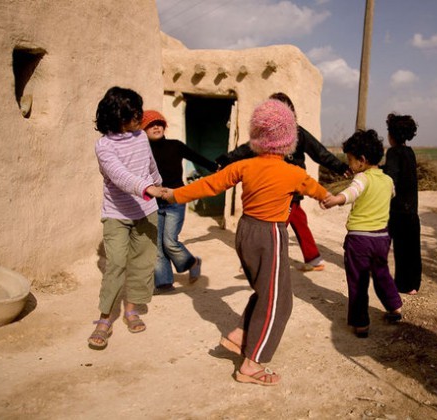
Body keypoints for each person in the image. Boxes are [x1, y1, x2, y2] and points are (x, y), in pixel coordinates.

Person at [162, 99, 330, 385]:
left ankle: (240, 335)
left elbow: (208, 184)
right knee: (279, 302)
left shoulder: (244, 166)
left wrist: (173, 194)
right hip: (270, 234)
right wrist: (335, 198)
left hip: (245, 232)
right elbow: (321, 193)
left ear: (257, 135)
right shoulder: (294, 173)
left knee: (264, 291)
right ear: (289, 138)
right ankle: (252, 364)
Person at [215, 92, 350, 272]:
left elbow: (320, 153)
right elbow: (245, 150)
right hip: (274, 185)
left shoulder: (298, 133)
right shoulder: (267, 134)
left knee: (276, 225)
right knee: (298, 219)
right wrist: (226, 159)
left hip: (291, 187)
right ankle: (314, 259)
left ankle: (261, 260)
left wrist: (341, 167)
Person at [88, 87, 166, 350]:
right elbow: (119, 176)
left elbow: (149, 165)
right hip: (117, 214)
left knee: (143, 263)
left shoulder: (141, 137)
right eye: (133, 114)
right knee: (116, 263)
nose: (139, 118)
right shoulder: (104, 146)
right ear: (116, 116)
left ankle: (131, 309)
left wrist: (159, 184)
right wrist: (148, 188)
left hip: (146, 211)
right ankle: (105, 318)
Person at [322, 129, 403, 338]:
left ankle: (361, 323)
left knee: (358, 280)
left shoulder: (362, 178)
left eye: (350, 160)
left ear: (362, 160)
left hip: (359, 240)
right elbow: (391, 195)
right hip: (382, 239)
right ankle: (395, 306)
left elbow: (351, 193)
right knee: (381, 273)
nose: (349, 164)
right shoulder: (387, 181)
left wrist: (334, 200)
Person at [141, 110, 218, 293]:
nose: (156, 127)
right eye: (151, 124)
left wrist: (217, 168)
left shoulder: (175, 145)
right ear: (143, 130)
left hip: (176, 198)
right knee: (157, 244)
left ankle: (192, 262)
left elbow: (197, 158)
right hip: (153, 202)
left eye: (159, 123)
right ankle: (164, 282)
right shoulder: (142, 152)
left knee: (169, 241)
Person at [380, 113, 422, 295]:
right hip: (412, 208)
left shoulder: (393, 152)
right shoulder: (409, 152)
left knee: (400, 248)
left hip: (398, 209)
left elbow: (391, 178)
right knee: (412, 247)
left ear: (392, 135)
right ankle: (413, 285)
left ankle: (402, 284)